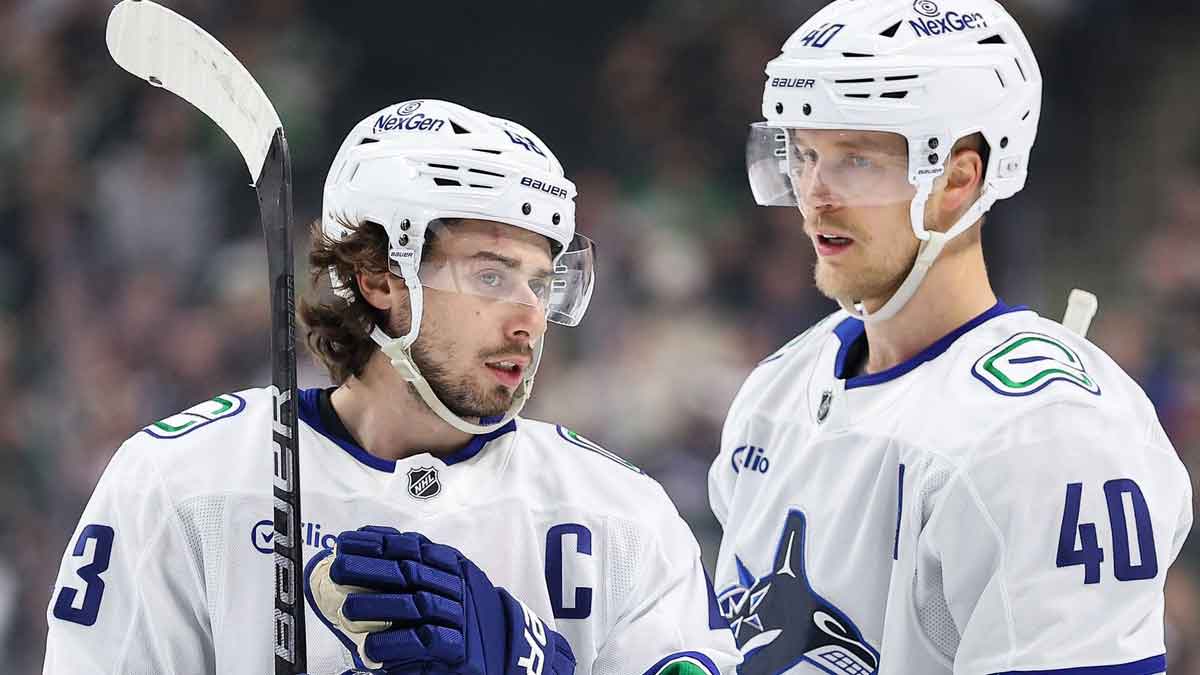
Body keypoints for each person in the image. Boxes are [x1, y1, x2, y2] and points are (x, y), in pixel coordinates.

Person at [44, 100, 739, 675]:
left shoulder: (621, 517)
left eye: (542, 281)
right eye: (491, 276)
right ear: (379, 277)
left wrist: (530, 662)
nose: (530, 317)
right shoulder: (180, 484)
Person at [708, 2, 1192, 673]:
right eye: (806, 153)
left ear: (960, 178)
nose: (815, 194)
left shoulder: (1053, 433)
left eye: (856, 160)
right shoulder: (781, 386)